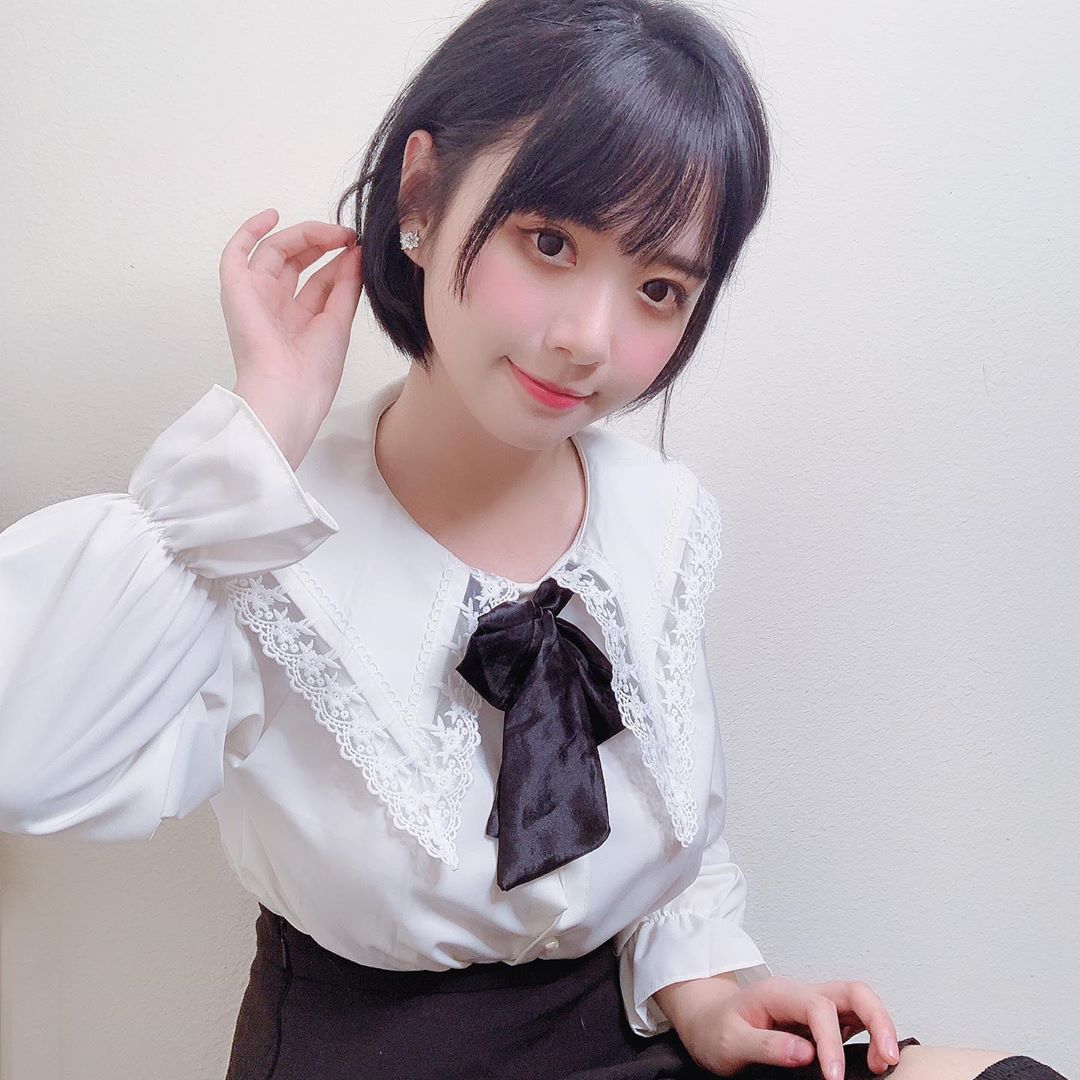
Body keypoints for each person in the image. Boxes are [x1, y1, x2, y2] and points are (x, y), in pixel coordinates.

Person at [0, 1, 1068, 1078]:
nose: (588, 340)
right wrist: (264, 424)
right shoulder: (256, 533)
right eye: (549, 242)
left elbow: (674, 842)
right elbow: (27, 756)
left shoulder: (655, 519)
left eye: (659, 288)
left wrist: (711, 994)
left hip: (631, 1038)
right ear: (422, 196)